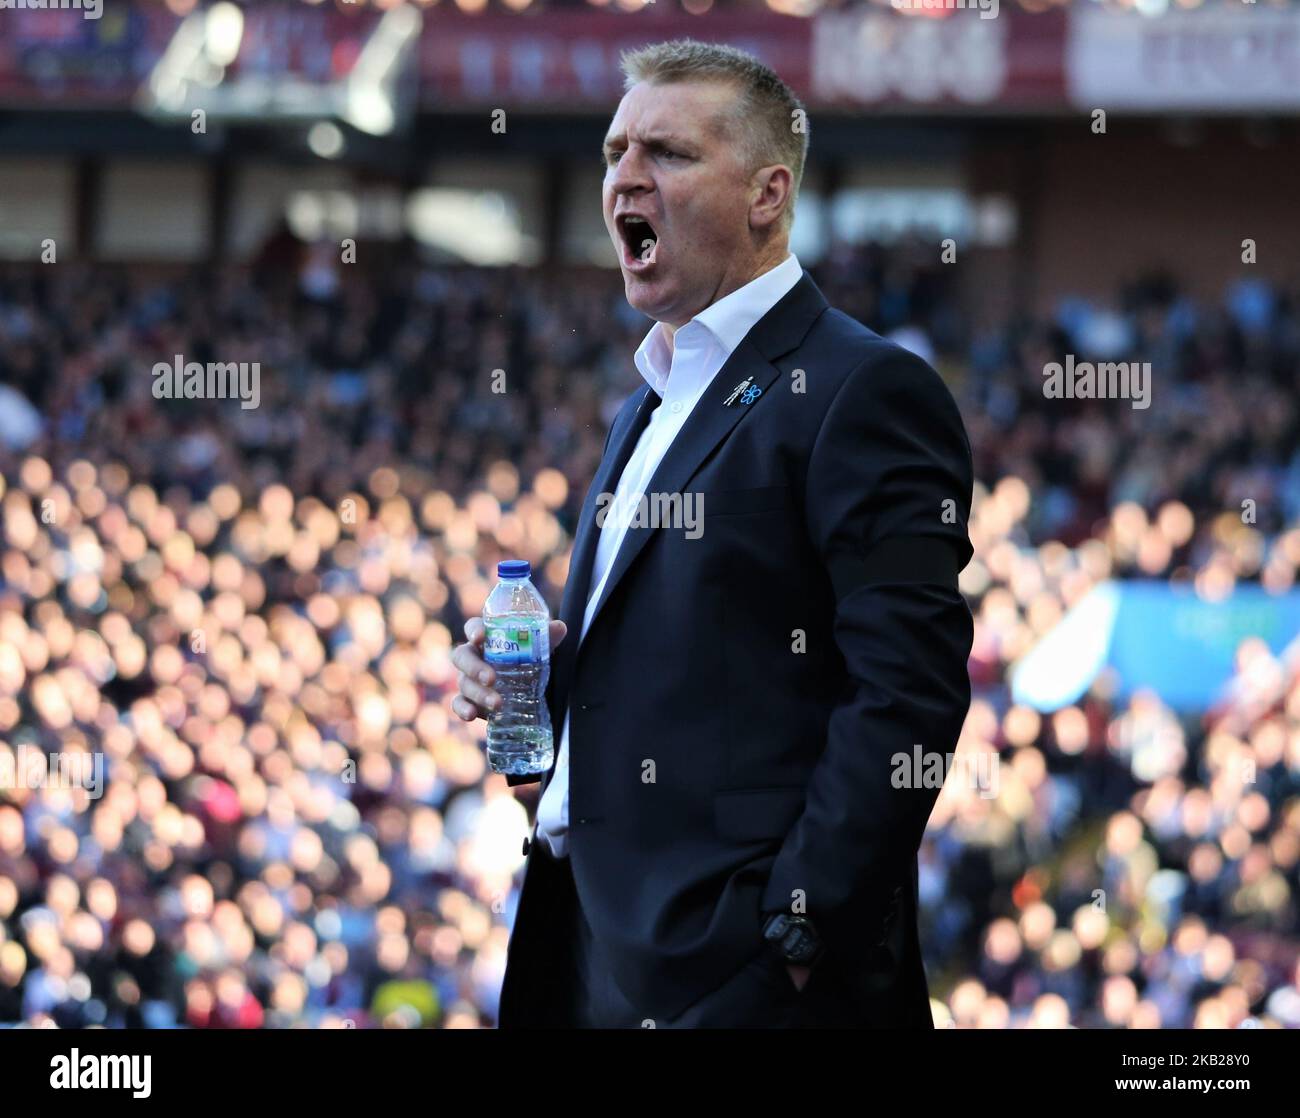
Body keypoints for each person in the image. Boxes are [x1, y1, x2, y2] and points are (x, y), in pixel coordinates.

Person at [452, 38, 974, 1028]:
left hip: (737, 979)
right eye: (613, 154)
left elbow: (907, 692)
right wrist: (529, 689)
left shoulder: (863, 389)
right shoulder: (646, 401)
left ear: (767, 194)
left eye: (667, 154)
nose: (624, 180)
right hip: (586, 942)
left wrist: (785, 954)